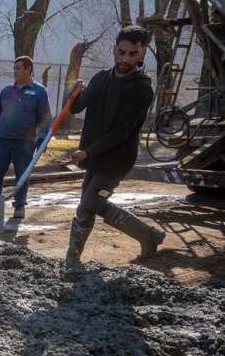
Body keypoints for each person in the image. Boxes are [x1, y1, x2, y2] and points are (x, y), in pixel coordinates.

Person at [63, 25, 165, 274]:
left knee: (88, 204)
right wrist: (72, 83)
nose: (126, 59)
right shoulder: (100, 79)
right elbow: (75, 108)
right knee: (90, 204)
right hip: (93, 157)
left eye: (133, 54)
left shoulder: (142, 89)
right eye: (122, 52)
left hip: (116, 160)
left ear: (141, 55)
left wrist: (86, 152)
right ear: (114, 50)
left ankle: (73, 261)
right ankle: (147, 235)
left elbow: (121, 133)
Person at [0, 56, 52, 220]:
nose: (15, 72)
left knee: (22, 175)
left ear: (28, 69)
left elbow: (45, 118)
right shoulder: (6, 91)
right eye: (14, 68)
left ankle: (19, 206)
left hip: (24, 142)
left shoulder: (39, 92)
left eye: (18, 68)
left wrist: (42, 137)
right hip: (3, 140)